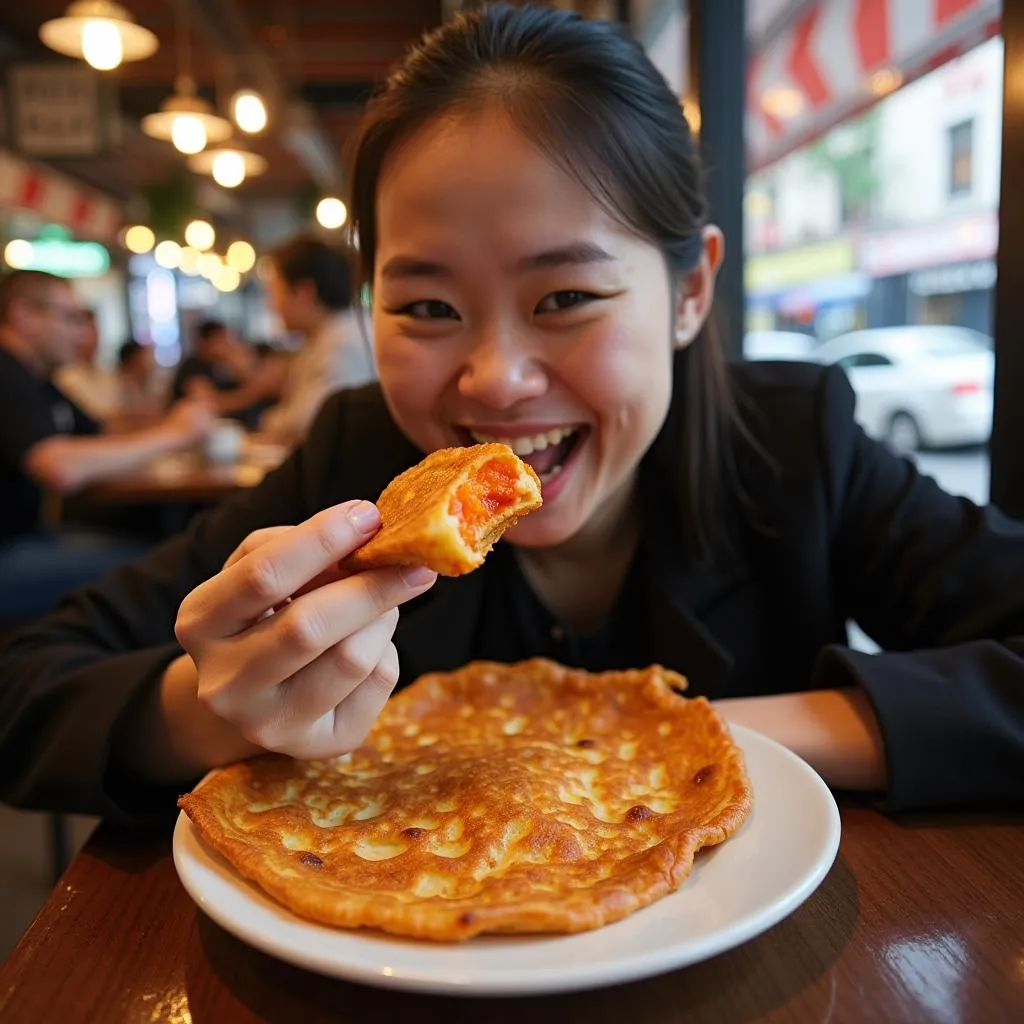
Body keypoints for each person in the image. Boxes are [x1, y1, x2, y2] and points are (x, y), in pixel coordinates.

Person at [1, 4, 1022, 820]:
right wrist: (199, 712)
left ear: (689, 292)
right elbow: (26, 681)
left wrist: (694, 737)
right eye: (426, 308)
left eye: (565, 298)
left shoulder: (796, 439)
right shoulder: (352, 461)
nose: (493, 380)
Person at [0, 270, 215, 622]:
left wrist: (175, 421)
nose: (82, 333)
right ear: (23, 316)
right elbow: (58, 467)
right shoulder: (6, 373)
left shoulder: (35, 379)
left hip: (31, 539)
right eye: (70, 318)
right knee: (161, 564)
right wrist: (175, 434)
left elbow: (104, 430)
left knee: (164, 542)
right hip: (9, 555)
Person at [258, 236, 377, 447]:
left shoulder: (343, 342)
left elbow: (308, 424)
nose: (271, 307)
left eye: (274, 292)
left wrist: (269, 422)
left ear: (304, 292)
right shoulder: (329, 336)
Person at [53, 308, 121, 423]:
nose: (95, 336)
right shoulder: (63, 376)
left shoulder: (107, 373)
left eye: (95, 329)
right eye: (86, 330)